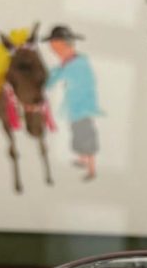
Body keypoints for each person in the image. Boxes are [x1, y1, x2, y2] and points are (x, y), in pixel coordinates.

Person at [42, 25, 102, 180]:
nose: (54, 51)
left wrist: (47, 82)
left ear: (66, 45)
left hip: (83, 107)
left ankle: (91, 169)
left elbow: (55, 78)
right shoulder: (68, 62)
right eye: (53, 49)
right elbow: (54, 76)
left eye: (56, 48)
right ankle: (82, 160)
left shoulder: (77, 64)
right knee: (77, 133)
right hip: (75, 108)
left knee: (86, 135)